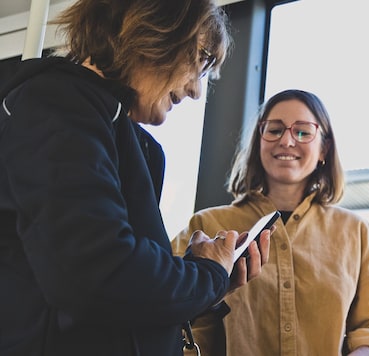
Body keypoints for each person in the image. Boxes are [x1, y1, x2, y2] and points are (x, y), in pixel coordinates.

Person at [0, 1, 271, 355]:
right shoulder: (58, 104)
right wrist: (206, 274)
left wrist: (209, 280)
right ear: (155, 28)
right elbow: (98, 275)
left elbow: (118, 294)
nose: (196, 91)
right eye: (201, 59)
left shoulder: (129, 139)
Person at [171, 89, 369, 355]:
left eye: (303, 132)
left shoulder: (360, 235)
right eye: (274, 130)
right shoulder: (205, 226)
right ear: (259, 140)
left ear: (323, 149)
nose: (287, 141)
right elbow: (174, 318)